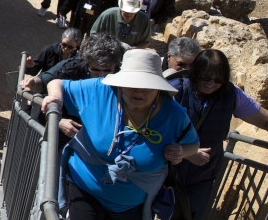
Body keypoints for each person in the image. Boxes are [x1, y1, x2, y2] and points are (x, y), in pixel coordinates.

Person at [42, 50, 199, 220]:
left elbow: (193, 145)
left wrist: (181, 152)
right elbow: (57, 83)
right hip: (85, 189)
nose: (139, 91)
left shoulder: (174, 115)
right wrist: (56, 99)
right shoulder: (101, 90)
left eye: (147, 86)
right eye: (132, 84)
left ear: (158, 88)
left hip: (131, 205)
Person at [170, 50, 268, 219]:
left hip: (202, 175)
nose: (211, 83)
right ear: (196, 72)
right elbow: (153, 129)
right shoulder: (176, 89)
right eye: (206, 77)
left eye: (218, 80)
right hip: (166, 171)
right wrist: (188, 153)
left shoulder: (231, 94)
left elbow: (263, 119)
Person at [23, 34, 124, 141]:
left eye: (107, 70)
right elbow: (49, 90)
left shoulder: (121, 76)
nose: (101, 75)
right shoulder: (71, 70)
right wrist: (59, 121)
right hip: (64, 130)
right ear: (87, 61)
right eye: (95, 70)